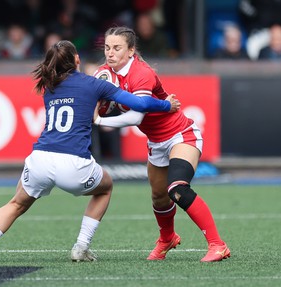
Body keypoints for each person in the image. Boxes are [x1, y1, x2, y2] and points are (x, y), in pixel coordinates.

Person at [0, 40, 179, 263]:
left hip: (41, 158)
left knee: (16, 204)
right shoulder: (94, 84)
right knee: (105, 187)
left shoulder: (49, 86)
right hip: (74, 163)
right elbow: (141, 104)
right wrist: (167, 105)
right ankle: (81, 247)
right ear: (77, 59)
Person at [93, 26, 230, 262]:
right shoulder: (104, 73)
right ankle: (167, 239)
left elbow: (137, 116)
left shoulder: (141, 73)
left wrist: (100, 119)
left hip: (181, 135)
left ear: (131, 51)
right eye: (107, 48)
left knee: (177, 188)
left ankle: (218, 244)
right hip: (156, 143)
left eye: (117, 48)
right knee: (159, 198)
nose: (110, 53)